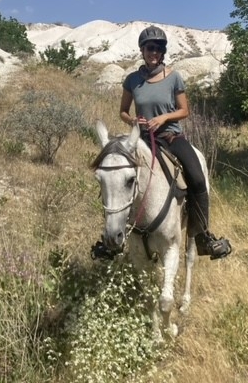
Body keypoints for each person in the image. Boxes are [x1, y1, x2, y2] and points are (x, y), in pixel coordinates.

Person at [91, 25, 231, 260]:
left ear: (162, 51)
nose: (153, 52)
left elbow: (184, 110)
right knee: (114, 178)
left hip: (170, 137)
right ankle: (110, 239)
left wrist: (164, 118)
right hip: (141, 139)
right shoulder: (132, 80)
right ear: (142, 51)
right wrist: (133, 119)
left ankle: (203, 237)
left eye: (157, 48)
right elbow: (123, 112)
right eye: (149, 48)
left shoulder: (174, 77)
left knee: (197, 178)